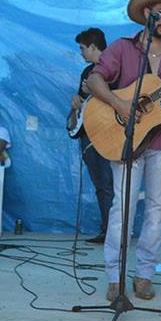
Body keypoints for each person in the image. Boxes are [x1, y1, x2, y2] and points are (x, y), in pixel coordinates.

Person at [86, 0, 161, 302]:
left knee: (157, 208)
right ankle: (114, 276)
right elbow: (94, 79)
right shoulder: (122, 48)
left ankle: (145, 274)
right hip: (126, 137)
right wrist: (119, 104)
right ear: (147, 13)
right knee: (123, 208)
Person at [69, 28, 113, 244]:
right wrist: (77, 100)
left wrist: (94, 92)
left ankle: (114, 232)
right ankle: (106, 229)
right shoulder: (86, 72)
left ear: (94, 47)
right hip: (88, 133)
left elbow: (119, 99)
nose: (81, 53)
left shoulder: (114, 68)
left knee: (108, 183)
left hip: (108, 133)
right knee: (99, 184)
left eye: (82, 48)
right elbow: (83, 100)